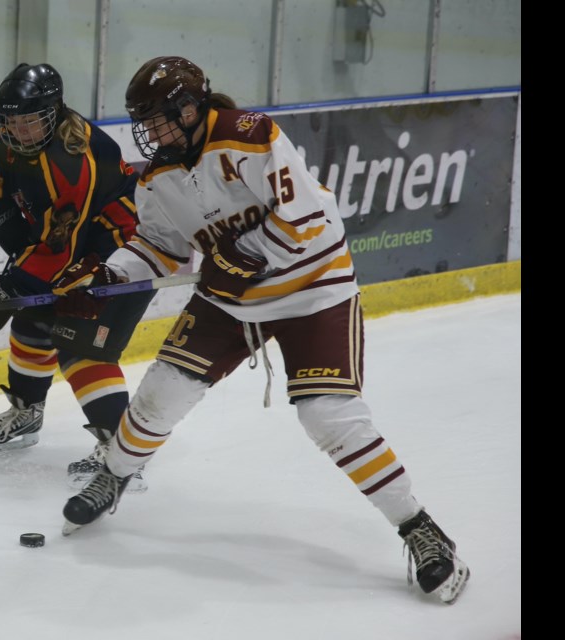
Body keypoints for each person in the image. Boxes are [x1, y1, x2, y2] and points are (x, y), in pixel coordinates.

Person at [51, 56, 470, 604]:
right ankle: (115, 474)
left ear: (191, 107)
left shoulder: (251, 138)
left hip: (313, 288)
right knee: (160, 393)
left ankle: (420, 529)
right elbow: (160, 247)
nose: (151, 134)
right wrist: (107, 276)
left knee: (328, 416)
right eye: (144, 123)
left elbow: (303, 220)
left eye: (160, 120)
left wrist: (246, 256)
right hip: (230, 300)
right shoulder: (157, 177)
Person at [0, 62, 154, 491]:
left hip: (122, 248)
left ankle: (120, 450)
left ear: (52, 113)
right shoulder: (2, 133)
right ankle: (27, 412)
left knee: (79, 342)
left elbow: (59, 252)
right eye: (10, 119)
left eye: (29, 120)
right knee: (33, 320)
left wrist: (8, 287)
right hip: (72, 240)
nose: (18, 129)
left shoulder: (72, 161)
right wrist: (3, 219)